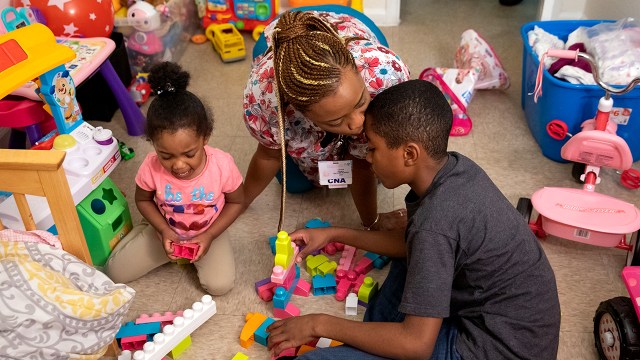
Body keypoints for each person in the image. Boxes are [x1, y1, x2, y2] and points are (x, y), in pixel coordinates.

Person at [266, 80, 561, 359]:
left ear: (409, 154)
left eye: (373, 149)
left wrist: (318, 324)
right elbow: (411, 244)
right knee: (391, 297)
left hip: (497, 349)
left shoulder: (436, 223)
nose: (368, 158)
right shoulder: (454, 169)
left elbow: (416, 345)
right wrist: (333, 233)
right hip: (505, 322)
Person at [243, 7, 411, 231]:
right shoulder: (264, 99)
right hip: (278, 42)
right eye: (335, 120)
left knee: (377, 168)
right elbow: (267, 155)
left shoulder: (384, 71)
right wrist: (241, 199)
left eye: (361, 101)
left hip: (353, 27)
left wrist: (372, 221)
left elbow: (359, 164)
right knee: (294, 184)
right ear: (299, 111)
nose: (357, 123)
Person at [105, 62, 244, 295]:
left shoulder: (222, 164)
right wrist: (161, 230)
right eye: (165, 155)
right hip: (166, 229)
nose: (178, 165)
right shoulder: (150, 166)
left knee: (220, 286)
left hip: (209, 231)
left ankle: (200, 239)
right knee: (115, 273)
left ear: (205, 137)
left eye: (190, 154)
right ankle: (146, 231)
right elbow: (143, 200)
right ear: (153, 144)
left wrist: (210, 234)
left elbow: (237, 201)